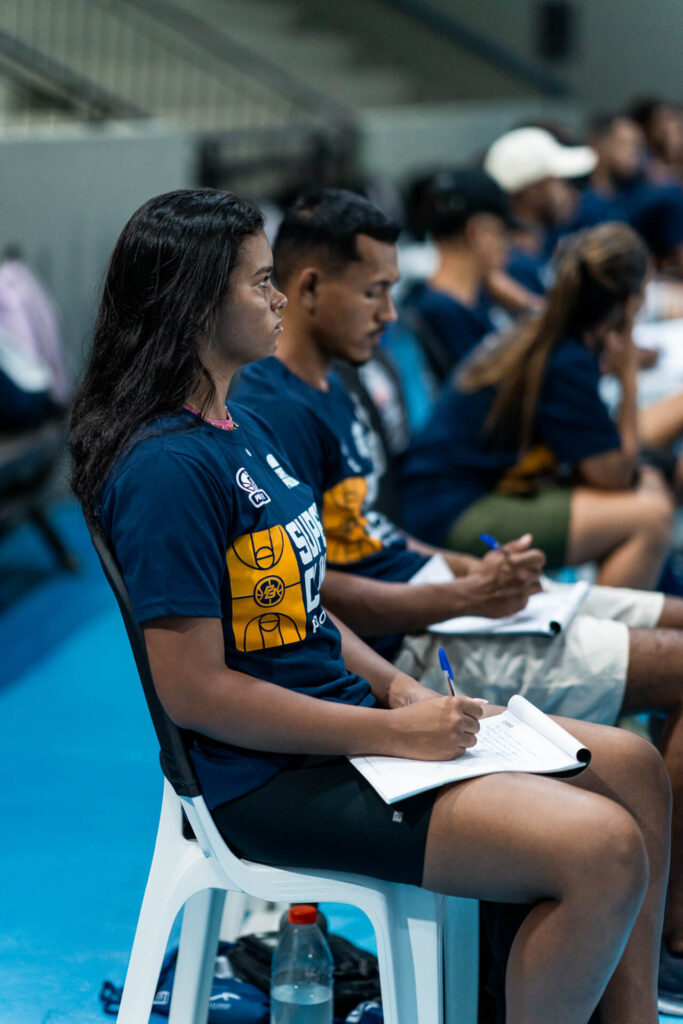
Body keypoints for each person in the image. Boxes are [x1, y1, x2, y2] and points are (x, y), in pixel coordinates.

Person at [70, 187, 671, 1023]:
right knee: (598, 848)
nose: (279, 298)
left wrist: (399, 689)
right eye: (261, 282)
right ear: (196, 303)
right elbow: (195, 692)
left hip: (347, 731)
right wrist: (389, 732)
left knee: (632, 768)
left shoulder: (239, 427)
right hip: (270, 781)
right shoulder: (166, 468)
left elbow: (311, 610)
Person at [233, 192, 683, 1001]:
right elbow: (311, 598)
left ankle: (636, 978)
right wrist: (451, 611)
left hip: (428, 620)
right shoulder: (258, 416)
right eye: (373, 291)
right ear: (306, 289)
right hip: (407, 648)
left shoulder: (337, 384)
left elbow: (376, 541)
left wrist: (476, 576)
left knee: (637, 748)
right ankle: (666, 939)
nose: (388, 313)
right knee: (614, 804)